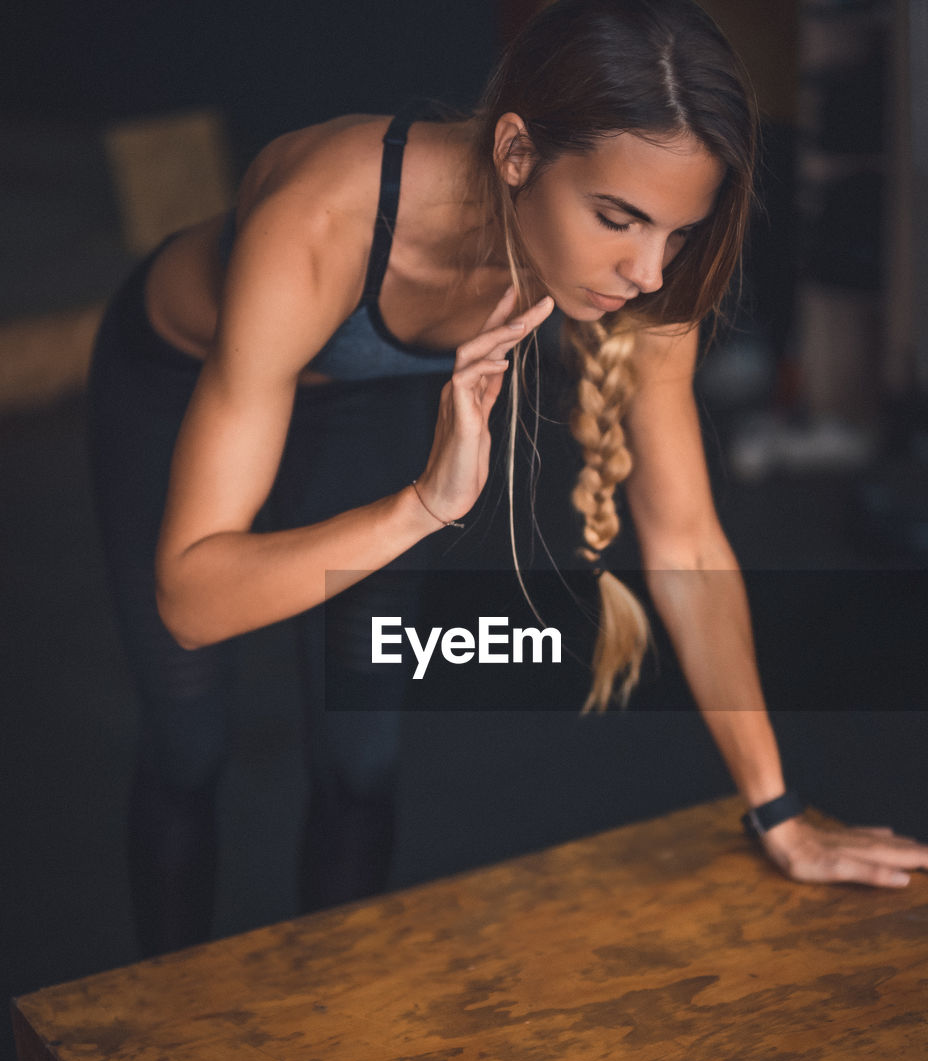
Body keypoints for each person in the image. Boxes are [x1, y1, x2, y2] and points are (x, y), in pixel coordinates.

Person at [88, 0, 928, 958]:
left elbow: (687, 538)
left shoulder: (642, 276)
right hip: (174, 380)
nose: (649, 271)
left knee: (361, 758)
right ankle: (151, 1048)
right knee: (189, 745)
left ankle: (320, 1034)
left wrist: (776, 808)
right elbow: (193, 597)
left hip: (371, 402)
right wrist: (420, 508)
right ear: (519, 152)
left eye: (678, 233)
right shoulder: (322, 218)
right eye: (617, 218)